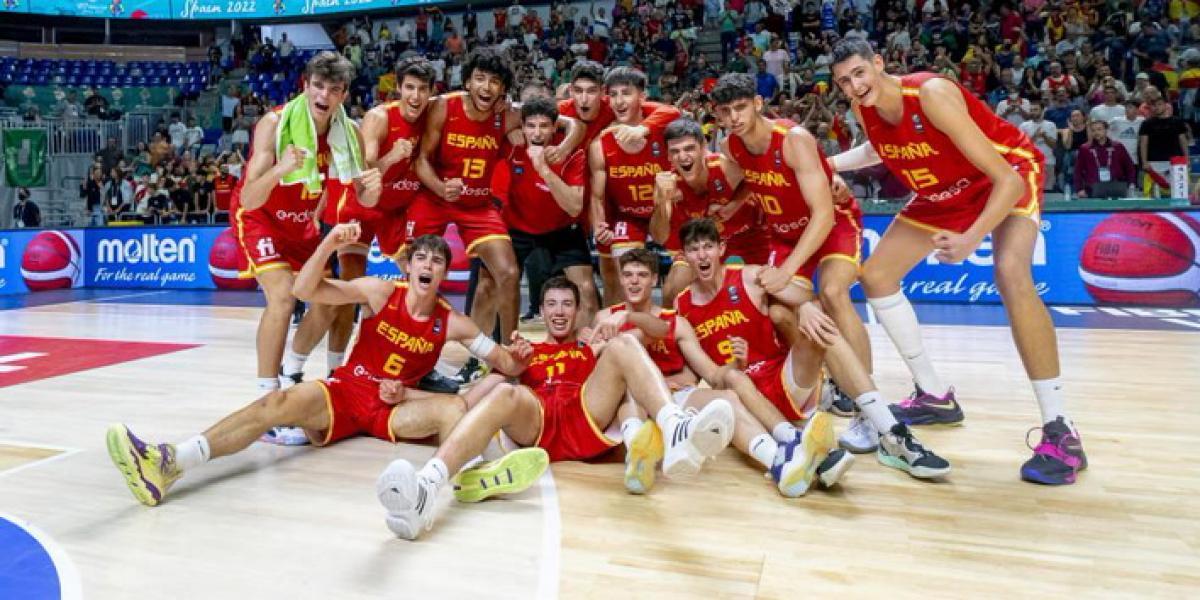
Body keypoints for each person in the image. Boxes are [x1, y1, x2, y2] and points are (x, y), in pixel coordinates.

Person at [106, 228, 532, 507]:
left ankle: (462, 477)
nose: (427, 265)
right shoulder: (380, 292)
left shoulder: (452, 322)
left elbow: (501, 362)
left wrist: (519, 354)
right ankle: (170, 462)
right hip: (348, 391)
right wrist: (329, 244)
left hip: (394, 408)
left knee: (454, 410)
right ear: (409, 266)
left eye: (436, 261)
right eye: (420, 258)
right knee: (277, 402)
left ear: (445, 272)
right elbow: (305, 288)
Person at [828, 39, 1086, 485]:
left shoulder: (931, 94)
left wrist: (971, 238)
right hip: (945, 189)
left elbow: (1004, 179)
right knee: (878, 276)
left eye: (859, 74)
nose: (854, 87)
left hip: (1000, 176)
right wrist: (824, 164)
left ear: (878, 63)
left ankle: (1061, 428)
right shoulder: (864, 108)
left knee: (1009, 273)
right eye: (843, 82)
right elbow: (877, 151)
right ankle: (934, 396)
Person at [376, 276, 735, 540]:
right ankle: (427, 488)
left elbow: (650, 338)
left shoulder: (590, 345)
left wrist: (621, 324)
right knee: (504, 393)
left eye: (567, 304)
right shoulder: (524, 351)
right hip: (538, 423)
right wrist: (410, 396)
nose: (559, 312)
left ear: (578, 311)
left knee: (624, 343)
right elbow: (467, 400)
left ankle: (676, 430)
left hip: (584, 413)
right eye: (551, 304)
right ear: (542, 310)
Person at [675, 218, 949, 481]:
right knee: (736, 379)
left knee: (820, 327)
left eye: (707, 246)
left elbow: (808, 298)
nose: (702, 256)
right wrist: (737, 363)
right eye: (693, 249)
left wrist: (804, 308)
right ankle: (795, 443)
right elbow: (712, 377)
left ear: (721, 249)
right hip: (743, 396)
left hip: (784, 380)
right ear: (684, 256)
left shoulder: (752, 276)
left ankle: (890, 431)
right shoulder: (682, 307)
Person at [593, 248, 856, 495]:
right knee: (630, 389)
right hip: (629, 404)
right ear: (620, 279)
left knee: (728, 399)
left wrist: (734, 365)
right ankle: (636, 456)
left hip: (676, 398)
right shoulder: (605, 318)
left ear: (655, 280)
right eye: (628, 275)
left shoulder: (678, 323)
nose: (634, 282)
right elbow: (599, 374)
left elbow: (711, 375)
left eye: (642, 275)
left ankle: (781, 462)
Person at [230, 51, 382, 444]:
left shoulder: (348, 133)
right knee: (281, 299)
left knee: (331, 300)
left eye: (333, 89)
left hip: (302, 223)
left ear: (343, 94)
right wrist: (281, 168)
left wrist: (370, 193)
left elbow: (361, 199)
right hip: (262, 216)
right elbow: (249, 197)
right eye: (318, 86)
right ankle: (267, 402)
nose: (324, 95)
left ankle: (293, 371)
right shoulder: (274, 124)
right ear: (306, 85)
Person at [285, 57, 456, 393]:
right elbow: (359, 172)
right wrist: (393, 157)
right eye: (409, 87)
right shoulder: (380, 117)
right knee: (344, 290)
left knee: (423, 284)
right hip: (361, 205)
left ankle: (417, 366)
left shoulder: (434, 115)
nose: (415, 96)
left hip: (397, 210)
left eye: (423, 89)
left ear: (431, 92)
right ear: (398, 88)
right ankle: (314, 368)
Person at [711, 72, 872, 417]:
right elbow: (753, 178)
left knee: (833, 293)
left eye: (740, 108)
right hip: (784, 234)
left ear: (757, 104)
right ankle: (818, 380)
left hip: (831, 225)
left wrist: (785, 272)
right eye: (725, 112)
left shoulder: (793, 139)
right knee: (779, 311)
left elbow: (823, 215)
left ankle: (864, 400)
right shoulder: (731, 147)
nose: (734, 118)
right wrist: (734, 205)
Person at [409, 47, 583, 364]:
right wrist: (439, 186)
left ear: (503, 88)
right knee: (416, 271)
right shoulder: (443, 107)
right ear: (467, 81)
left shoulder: (509, 114)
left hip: (477, 205)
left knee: (508, 271)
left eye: (494, 81)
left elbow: (572, 124)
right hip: (435, 198)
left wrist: (566, 146)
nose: (486, 87)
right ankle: (415, 354)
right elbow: (420, 159)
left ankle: (507, 355)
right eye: (479, 79)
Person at [472, 95, 600, 332]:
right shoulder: (510, 146)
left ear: (554, 127)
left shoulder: (572, 153)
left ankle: (584, 355)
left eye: (543, 126)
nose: (537, 133)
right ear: (522, 127)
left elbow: (573, 206)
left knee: (587, 290)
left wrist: (544, 170)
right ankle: (477, 357)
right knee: (485, 287)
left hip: (562, 230)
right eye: (531, 126)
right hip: (515, 227)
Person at [649, 118, 769, 305]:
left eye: (689, 148)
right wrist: (662, 202)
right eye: (675, 151)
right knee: (672, 290)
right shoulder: (667, 184)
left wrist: (734, 204)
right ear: (668, 156)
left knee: (768, 293)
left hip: (749, 238)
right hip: (703, 245)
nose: (682, 156)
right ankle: (675, 332)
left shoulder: (725, 167)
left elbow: (760, 171)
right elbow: (659, 237)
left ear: (703, 147)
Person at [587, 67, 673, 305]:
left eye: (626, 93)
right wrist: (599, 224)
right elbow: (597, 195)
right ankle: (620, 328)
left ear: (642, 97)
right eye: (613, 94)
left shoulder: (663, 131)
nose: (619, 100)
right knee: (623, 275)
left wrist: (642, 129)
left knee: (678, 281)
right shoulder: (601, 143)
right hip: (627, 215)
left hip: (665, 210)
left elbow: (674, 111)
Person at [1074, 120, 1137, 198]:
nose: (1096, 132)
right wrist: (1079, 189)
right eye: (1093, 130)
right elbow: (1078, 171)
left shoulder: (1118, 147)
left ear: (1106, 130)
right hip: (1092, 189)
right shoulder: (1085, 148)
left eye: (1099, 129)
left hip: (1116, 187)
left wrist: (1131, 184)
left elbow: (1130, 167)